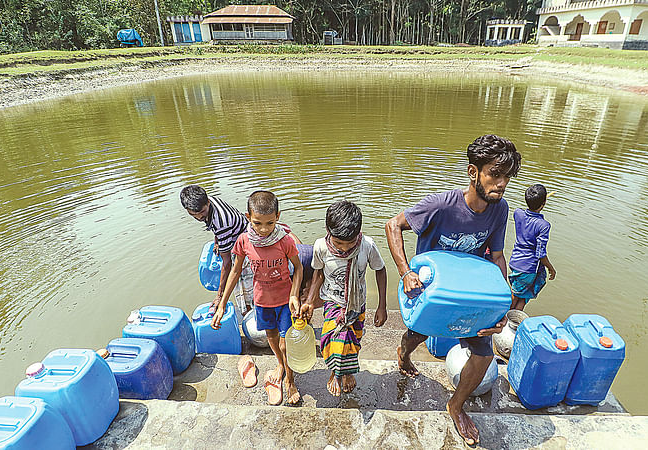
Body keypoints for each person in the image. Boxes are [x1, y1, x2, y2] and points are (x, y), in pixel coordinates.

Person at [384, 134, 521, 446]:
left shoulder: (500, 210)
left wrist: (502, 306)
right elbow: (393, 226)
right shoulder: (441, 205)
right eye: (494, 174)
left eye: (506, 177)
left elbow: (497, 256)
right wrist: (406, 272)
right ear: (474, 172)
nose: (501, 184)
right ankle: (404, 356)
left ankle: (455, 405)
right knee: (415, 336)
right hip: (432, 294)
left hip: (469, 296)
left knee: (484, 354)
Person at [212, 190, 304, 406]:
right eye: (258, 223)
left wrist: (294, 294)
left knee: (285, 344)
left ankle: (290, 380)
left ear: (278, 217)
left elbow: (298, 268)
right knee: (271, 336)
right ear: (248, 217)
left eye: (270, 223)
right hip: (261, 300)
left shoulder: (285, 241)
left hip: (284, 301)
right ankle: (281, 365)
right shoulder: (244, 241)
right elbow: (234, 272)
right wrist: (222, 304)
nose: (264, 230)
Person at [301, 201, 388, 396]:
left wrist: (382, 306)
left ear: (359, 232)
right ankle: (335, 372)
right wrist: (309, 301)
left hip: (357, 304)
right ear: (328, 231)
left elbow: (380, 270)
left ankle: (347, 372)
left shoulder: (367, 246)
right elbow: (318, 274)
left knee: (353, 341)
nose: (343, 249)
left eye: (349, 243)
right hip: (332, 301)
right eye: (339, 243)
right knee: (334, 341)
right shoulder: (321, 246)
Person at [180, 185, 254, 314]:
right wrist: (218, 241)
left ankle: (249, 311)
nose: (198, 217)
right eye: (193, 214)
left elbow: (227, 263)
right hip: (235, 229)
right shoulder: (208, 202)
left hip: (245, 240)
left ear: (207, 202)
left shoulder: (222, 223)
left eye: (202, 212)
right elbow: (215, 226)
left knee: (243, 285)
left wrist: (220, 295)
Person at [509, 184, 556, 311]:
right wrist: (551, 268)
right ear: (543, 204)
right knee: (519, 296)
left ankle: (508, 319)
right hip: (529, 267)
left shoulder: (517, 214)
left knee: (519, 294)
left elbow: (525, 213)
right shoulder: (543, 226)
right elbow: (540, 254)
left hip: (515, 261)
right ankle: (506, 319)